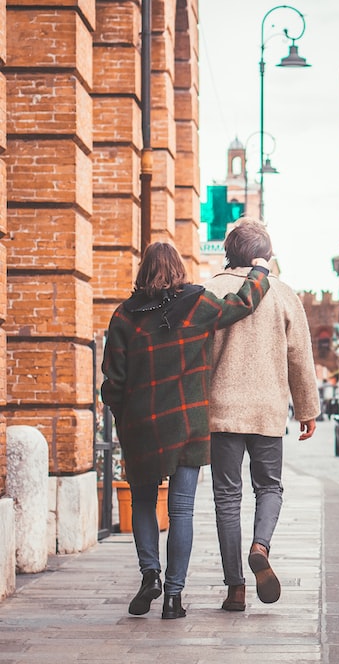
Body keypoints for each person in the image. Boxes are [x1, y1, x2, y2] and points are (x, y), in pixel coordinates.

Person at [101, 242, 270, 620]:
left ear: (144, 271)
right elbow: (243, 303)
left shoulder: (126, 316)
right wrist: (260, 270)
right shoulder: (198, 305)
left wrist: (124, 417)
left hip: (142, 424)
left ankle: (150, 574)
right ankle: (174, 597)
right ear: (179, 268)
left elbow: (112, 380)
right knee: (181, 510)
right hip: (187, 423)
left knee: (144, 503)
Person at [203, 219, 320, 613]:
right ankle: (260, 545)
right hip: (268, 409)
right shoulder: (283, 294)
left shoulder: (209, 291)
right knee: (269, 488)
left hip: (220, 411)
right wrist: (307, 409)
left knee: (226, 498)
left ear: (229, 251)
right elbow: (300, 357)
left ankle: (235, 588)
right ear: (263, 255)